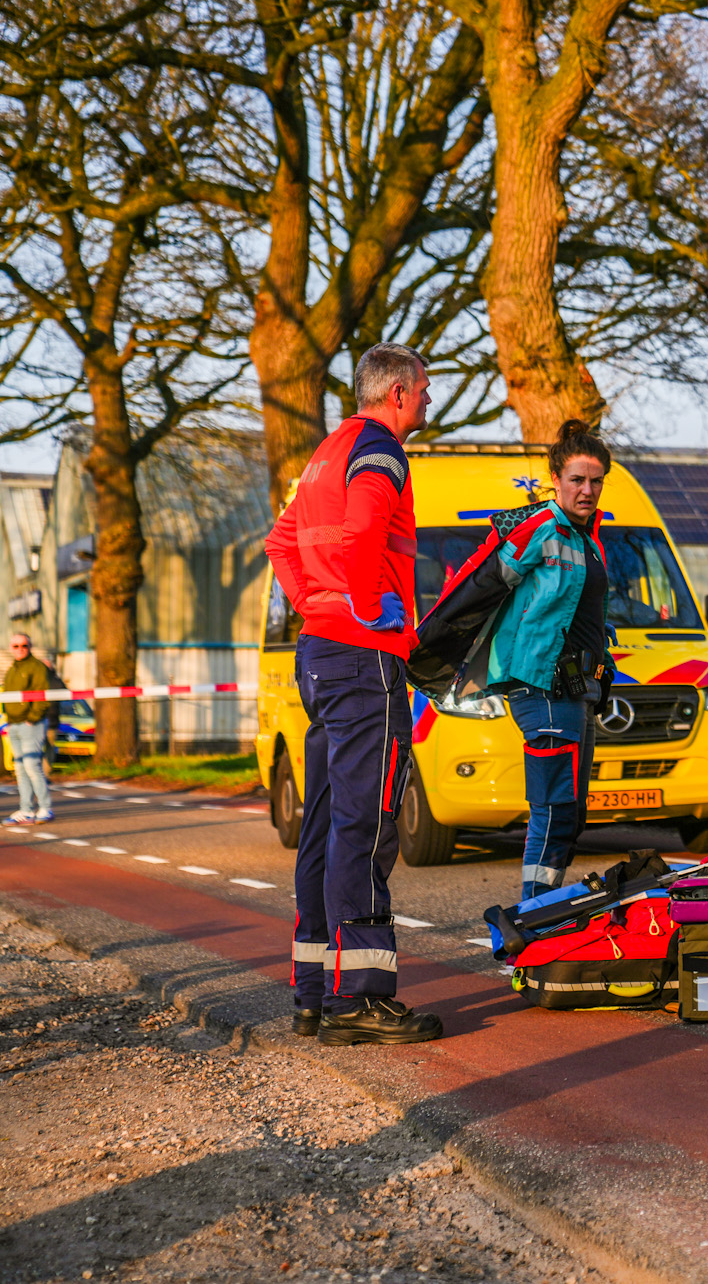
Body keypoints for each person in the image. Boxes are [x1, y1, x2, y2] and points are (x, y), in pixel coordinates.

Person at [263, 343, 442, 1046]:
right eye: (424, 390)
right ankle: (361, 998)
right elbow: (367, 529)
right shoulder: (381, 449)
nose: (429, 400)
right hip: (364, 656)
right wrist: (366, 604)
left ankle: (313, 990)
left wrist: (318, 601)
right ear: (396, 393)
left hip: (321, 652)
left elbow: (280, 543)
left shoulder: (324, 454)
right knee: (366, 822)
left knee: (327, 818)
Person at [411, 421, 614, 898]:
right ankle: (533, 916)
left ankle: (550, 909)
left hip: (576, 689)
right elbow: (477, 584)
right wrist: (429, 645)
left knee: (572, 812)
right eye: (577, 480)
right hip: (538, 685)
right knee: (552, 805)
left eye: (596, 481)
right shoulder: (540, 530)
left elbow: (584, 615)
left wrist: (603, 666)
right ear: (556, 479)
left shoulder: (592, 540)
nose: (587, 490)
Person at [3, 634, 58, 825]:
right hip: (14, 724)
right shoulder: (13, 669)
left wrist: (33, 718)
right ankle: (25, 810)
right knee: (19, 768)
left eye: (24, 645)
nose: (20, 649)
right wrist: (9, 720)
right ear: (11, 647)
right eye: (16, 646)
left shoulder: (36, 667)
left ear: (30, 646)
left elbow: (43, 695)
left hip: (30, 724)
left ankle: (45, 807)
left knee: (32, 767)